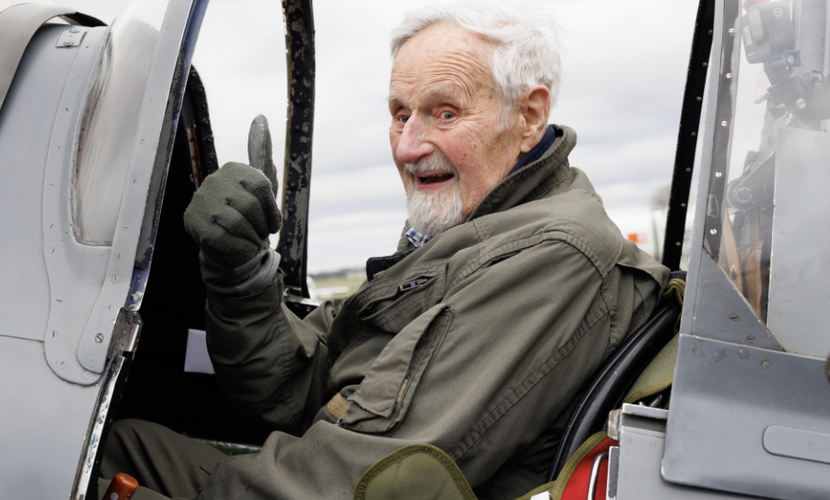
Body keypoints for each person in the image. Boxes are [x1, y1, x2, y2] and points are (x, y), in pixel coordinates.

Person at [100, 3, 669, 499]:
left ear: (529, 115)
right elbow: (301, 386)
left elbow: (366, 481)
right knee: (125, 442)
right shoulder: (468, 227)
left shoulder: (553, 257)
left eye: (445, 112)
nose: (409, 145)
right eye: (400, 114)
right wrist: (242, 272)